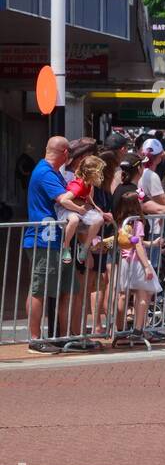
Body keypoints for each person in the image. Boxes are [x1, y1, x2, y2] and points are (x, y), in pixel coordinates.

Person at [23, 137, 81, 352]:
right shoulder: (46, 173)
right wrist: (83, 207)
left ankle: (63, 337)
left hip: (55, 240)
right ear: (65, 153)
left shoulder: (52, 172)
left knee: (64, 288)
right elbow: (64, 200)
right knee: (39, 289)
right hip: (44, 240)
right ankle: (35, 339)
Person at [110, 188, 163, 344]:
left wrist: (152, 243)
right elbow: (138, 244)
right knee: (143, 294)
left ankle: (120, 329)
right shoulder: (137, 222)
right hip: (137, 262)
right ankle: (138, 329)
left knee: (123, 294)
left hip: (125, 261)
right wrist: (146, 266)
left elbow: (133, 241)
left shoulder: (122, 222)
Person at [57, 155, 107, 266]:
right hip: (67, 209)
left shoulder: (87, 184)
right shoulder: (78, 185)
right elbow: (64, 201)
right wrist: (79, 209)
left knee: (98, 220)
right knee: (74, 220)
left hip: (78, 207)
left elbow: (86, 195)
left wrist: (95, 206)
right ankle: (66, 247)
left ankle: (85, 247)